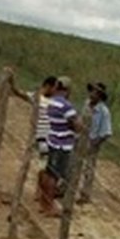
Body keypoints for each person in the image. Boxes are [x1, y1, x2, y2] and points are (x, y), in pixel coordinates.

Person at [37, 76, 85, 215]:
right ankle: (50, 205)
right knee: (54, 176)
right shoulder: (66, 106)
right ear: (68, 89)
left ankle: (44, 202)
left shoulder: (51, 102)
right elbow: (77, 126)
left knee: (48, 172)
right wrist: (79, 122)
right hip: (62, 144)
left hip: (52, 139)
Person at [77, 82, 112, 204]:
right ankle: (66, 188)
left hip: (92, 142)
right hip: (80, 138)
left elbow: (106, 132)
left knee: (88, 169)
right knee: (74, 165)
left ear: (100, 96)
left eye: (96, 93)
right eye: (92, 91)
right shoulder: (86, 104)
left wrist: (95, 143)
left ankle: (85, 194)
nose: (92, 94)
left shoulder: (104, 111)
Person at [6, 72, 56, 157]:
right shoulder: (36, 97)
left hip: (49, 138)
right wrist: (11, 82)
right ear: (48, 86)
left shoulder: (54, 101)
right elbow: (18, 92)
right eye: (54, 88)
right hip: (40, 136)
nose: (55, 91)